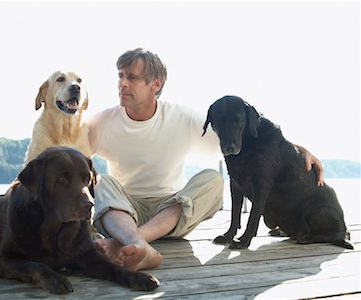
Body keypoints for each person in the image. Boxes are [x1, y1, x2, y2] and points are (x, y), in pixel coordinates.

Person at [88, 48, 324, 271]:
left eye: (132, 77)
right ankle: (136, 242)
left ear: (155, 84)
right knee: (103, 182)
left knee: (213, 180)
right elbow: (67, 149)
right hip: (124, 213)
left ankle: (128, 241)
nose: (123, 84)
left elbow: (241, 136)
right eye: (120, 76)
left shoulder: (181, 117)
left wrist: (297, 149)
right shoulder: (102, 122)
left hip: (171, 213)